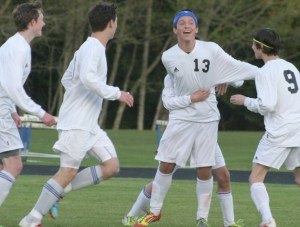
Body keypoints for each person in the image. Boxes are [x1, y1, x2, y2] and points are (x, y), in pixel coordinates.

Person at [133, 9, 258, 227]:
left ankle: (202, 219)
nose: (187, 25)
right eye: (181, 23)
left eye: (191, 22)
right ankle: (154, 212)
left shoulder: (211, 49)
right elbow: (171, 96)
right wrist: (191, 98)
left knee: (205, 169)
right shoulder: (168, 57)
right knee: (165, 165)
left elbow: (235, 68)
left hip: (207, 120)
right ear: (175, 30)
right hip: (181, 120)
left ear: (197, 29)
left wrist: (253, 74)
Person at [19, 2, 134, 226]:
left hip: (89, 125)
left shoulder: (89, 48)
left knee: (111, 166)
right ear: (111, 23)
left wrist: (78, 97)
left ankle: (59, 192)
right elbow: (90, 79)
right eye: (116, 21)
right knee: (67, 172)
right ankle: (31, 220)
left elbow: (67, 79)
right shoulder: (92, 49)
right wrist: (117, 93)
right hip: (76, 124)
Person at [122, 75, 244, 227]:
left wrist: (224, 78)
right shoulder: (172, 75)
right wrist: (192, 98)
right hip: (182, 132)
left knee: (223, 176)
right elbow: (168, 103)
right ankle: (131, 215)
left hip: (205, 131)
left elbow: (239, 80)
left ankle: (228, 223)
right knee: (163, 176)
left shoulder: (207, 69)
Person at [230, 28, 300, 227]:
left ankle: (268, 221)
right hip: (298, 128)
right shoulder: (291, 67)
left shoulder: (264, 72)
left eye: (254, 44)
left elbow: (267, 105)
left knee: (256, 178)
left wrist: (245, 101)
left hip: (280, 131)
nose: (252, 47)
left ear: (260, 47)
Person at [0, 0, 56, 210]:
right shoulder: (18, 48)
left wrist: (13, 111)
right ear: (33, 22)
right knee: (13, 165)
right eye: (42, 19)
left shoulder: (16, 45)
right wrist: (41, 113)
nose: (44, 23)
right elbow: (13, 88)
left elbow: (5, 83)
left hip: (4, 109)